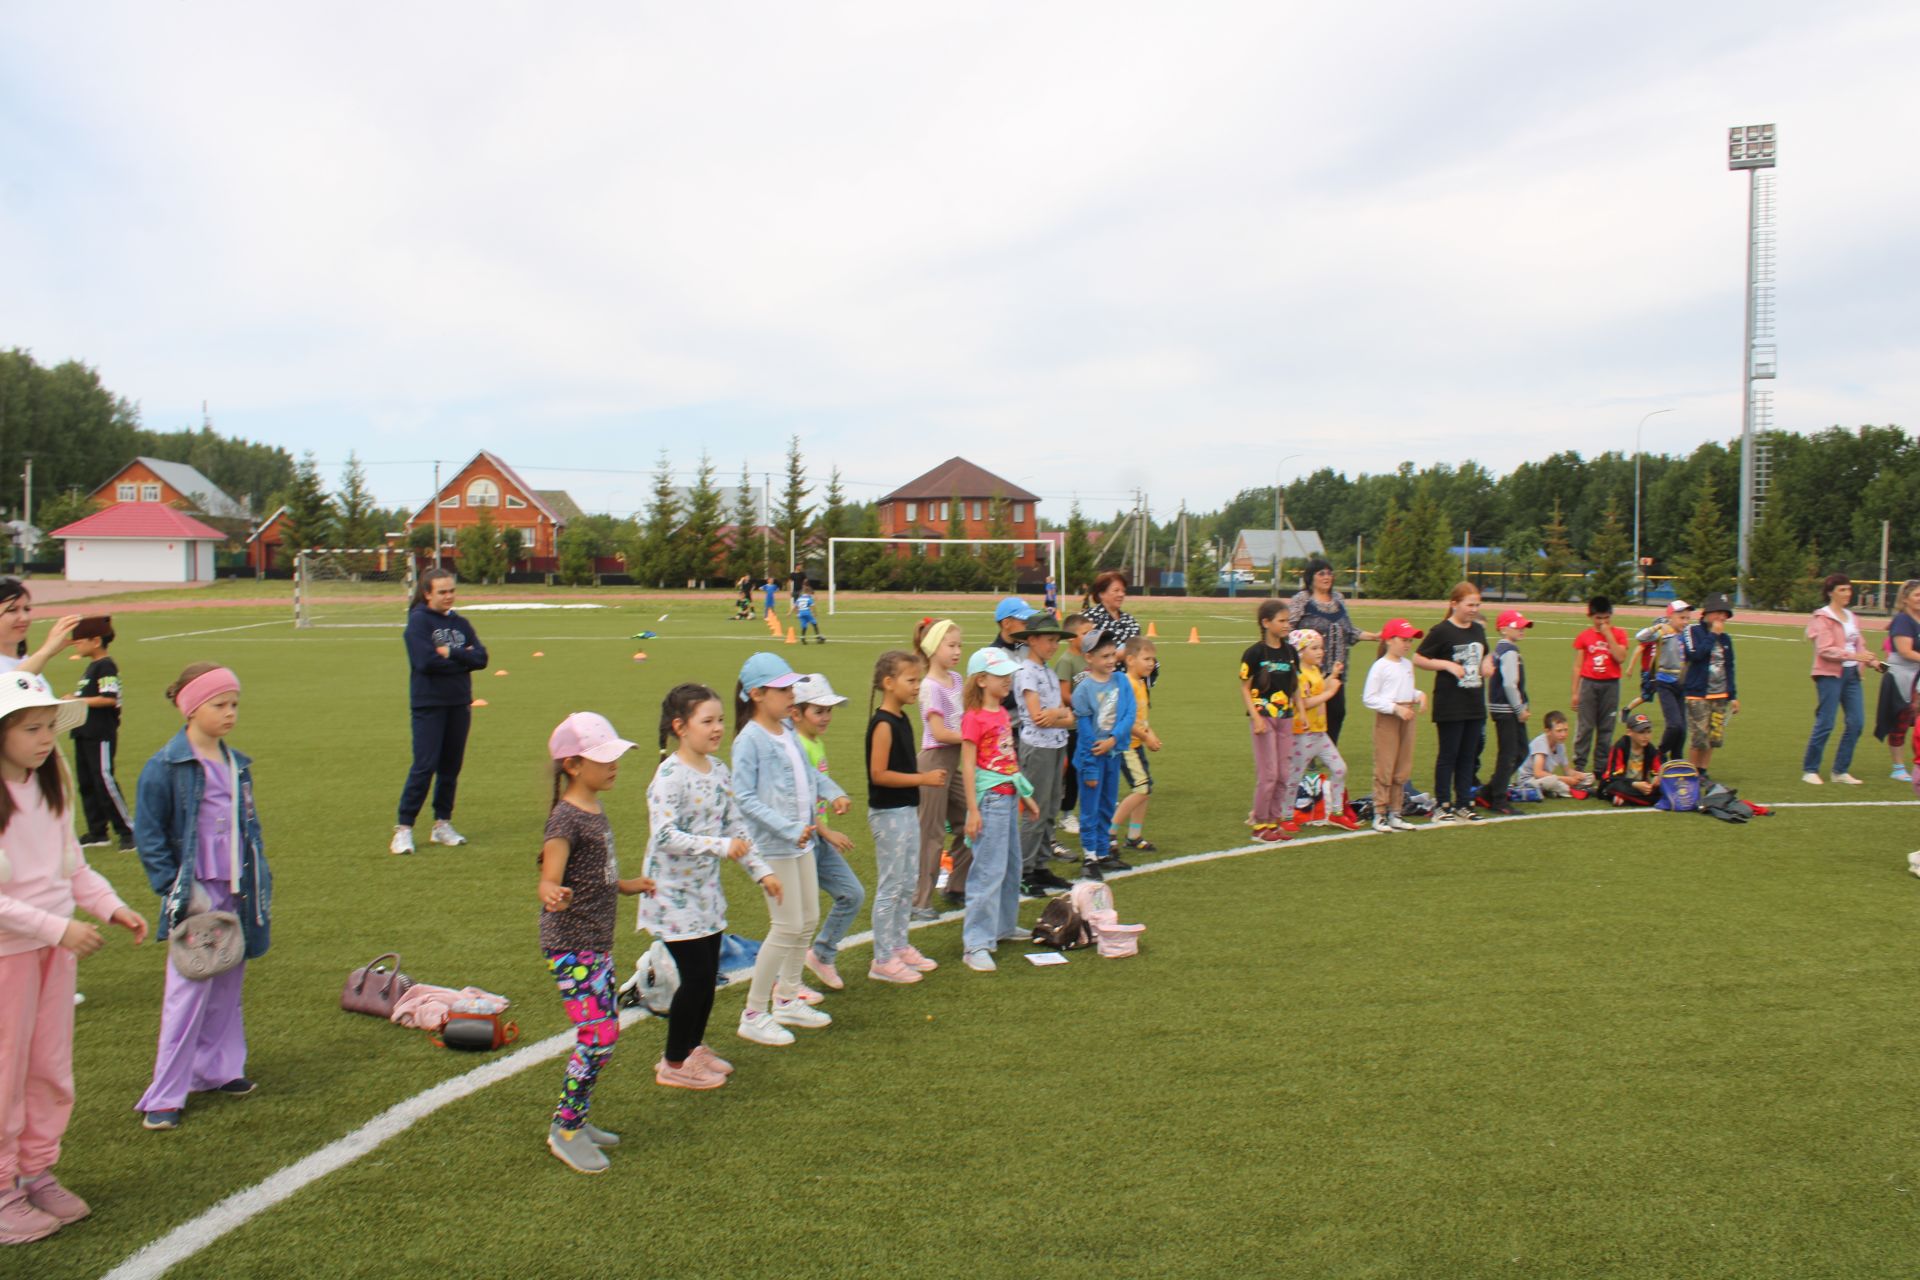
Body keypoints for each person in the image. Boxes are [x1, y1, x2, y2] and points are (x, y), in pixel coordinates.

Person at [0, 674, 146, 1244]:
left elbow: (73, 869)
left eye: (47, 728)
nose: (44, 740)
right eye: (30, 728)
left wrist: (110, 907)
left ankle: (36, 1169)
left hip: (53, 952)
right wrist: (56, 927)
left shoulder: (50, 782)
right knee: (6, 1072)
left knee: (50, 1068)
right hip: (12, 954)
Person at [134, 664, 271, 1131]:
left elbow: (246, 829)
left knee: (227, 988)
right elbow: (150, 836)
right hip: (195, 894)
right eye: (219, 705)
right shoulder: (165, 766)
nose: (230, 713)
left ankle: (218, 1071)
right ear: (191, 708)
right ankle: (165, 1095)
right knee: (188, 992)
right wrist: (175, 889)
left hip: (236, 889)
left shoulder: (238, 764)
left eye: (234, 704)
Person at [643, 686, 780, 1092]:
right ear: (680, 728)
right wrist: (719, 846)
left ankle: (693, 1047)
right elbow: (665, 834)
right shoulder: (669, 776)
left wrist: (762, 872)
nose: (718, 728)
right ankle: (673, 1062)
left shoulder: (719, 771)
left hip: (706, 895)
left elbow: (737, 829)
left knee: (707, 976)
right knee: (698, 978)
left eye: (720, 719)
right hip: (672, 897)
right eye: (708, 721)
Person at [537, 712, 655, 1172]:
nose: (614, 766)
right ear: (571, 765)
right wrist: (550, 891)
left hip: (594, 944)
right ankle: (565, 1128)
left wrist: (627, 885)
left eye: (615, 757)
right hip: (571, 946)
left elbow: (594, 877)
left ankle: (577, 1120)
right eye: (602, 759)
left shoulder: (593, 810)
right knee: (600, 1034)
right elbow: (551, 873)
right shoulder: (564, 819)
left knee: (603, 1032)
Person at [729, 653, 833, 1046]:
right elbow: (744, 798)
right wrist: (788, 827)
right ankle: (754, 1012)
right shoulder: (749, 740)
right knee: (787, 925)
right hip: (775, 845)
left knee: (807, 918)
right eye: (784, 689)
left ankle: (788, 998)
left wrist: (831, 791)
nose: (792, 694)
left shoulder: (787, 728)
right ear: (756, 694)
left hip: (800, 840)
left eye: (792, 687)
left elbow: (808, 774)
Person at [392, 569, 486, 855]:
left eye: (452, 591)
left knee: (450, 767)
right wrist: (462, 658)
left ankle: (442, 824)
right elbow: (425, 662)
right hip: (429, 703)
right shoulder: (418, 623)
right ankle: (404, 828)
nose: (449, 596)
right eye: (442, 591)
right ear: (427, 593)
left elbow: (481, 658)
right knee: (424, 766)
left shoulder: (461, 623)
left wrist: (451, 653)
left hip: (458, 702)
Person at [864, 651, 945, 984]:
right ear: (889, 683)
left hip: (906, 810)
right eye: (911, 680)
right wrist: (922, 780)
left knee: (907, 881)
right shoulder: (883, 723)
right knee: (891, 885)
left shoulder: (902, 718)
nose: (917, 687)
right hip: (889, 813)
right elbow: (879, 774)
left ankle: (899, 945)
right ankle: (882, 958)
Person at [959, 647, 1038, 972]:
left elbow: (1007, 761)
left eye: (1009, 674)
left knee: (1010, 866)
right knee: (987, 871)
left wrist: (1026, 796)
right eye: (1000, 675)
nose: (1007, 680)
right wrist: (973, 811)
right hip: (989, 801)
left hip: (1007, 798)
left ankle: (1003, 926)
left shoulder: (1003, 714)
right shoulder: (974, 718)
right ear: (980, 680)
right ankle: (975, 943)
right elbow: (967, 767)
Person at [788, 675, 863, 993]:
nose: (826, 717)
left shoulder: (814, 742)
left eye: (829, 710)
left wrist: (835, 798)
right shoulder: (796, 745)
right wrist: (826, 830)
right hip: (804, 840)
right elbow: (796, 801)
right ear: (796, 713)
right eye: (818, 711)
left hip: (817, 837)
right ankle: (786, 983)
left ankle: (821, 954)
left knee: (852, 894)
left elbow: (815, 790)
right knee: (797, 918)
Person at [1413, 583, 1495, 823]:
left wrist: (1486, 665)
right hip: (1450, 703)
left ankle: (1463, 803)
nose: (1473, 609)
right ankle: (1442, 804)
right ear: (1454, 604)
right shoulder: (1442, 631)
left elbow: (1484, 653)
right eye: (1469, 605)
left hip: (1474, 702)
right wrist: (1447, 664)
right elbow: (1418, 658)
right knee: (1449, 755)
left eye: (1477, 605)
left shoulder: (1478, 630)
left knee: (1468, 756)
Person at [910, 618, 969, 919]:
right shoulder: (930, 687)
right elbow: (941, 732)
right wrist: (975, 737)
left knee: (973, 821)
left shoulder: (957, 680)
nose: (958, 651)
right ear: (933, 649)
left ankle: (956, 886)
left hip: (952, 764)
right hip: (934, 762)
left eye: (959, 645)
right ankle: (920, 901)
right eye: (951, 645)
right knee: (930, 835)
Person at [1011, 616, 1074, 894]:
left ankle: (1041, 865)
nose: (1053, 645)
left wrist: (1056, 714)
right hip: (1038, 748)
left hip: (1056, 744)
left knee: (1050, 808)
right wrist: (1057, 714)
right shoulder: (1026, 671)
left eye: (1056, 640)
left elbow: (1067, 716)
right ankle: (1024, 871)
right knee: (1035, 810)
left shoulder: (1047, 672)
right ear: (1031, 640)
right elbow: (1038, 718)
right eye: (1048, 639)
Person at [1801, 574, 1882, 785]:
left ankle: (1840, 771)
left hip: (1852, 675)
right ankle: (1810, 769)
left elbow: (1859, 644)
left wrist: (1871, 661)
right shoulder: (1822, 618)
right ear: (1830, 592)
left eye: (1848, 590)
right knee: (1826, 722)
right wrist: (1855, 656)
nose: (1847, 594)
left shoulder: (1852, 617)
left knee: (1857, 723)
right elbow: (1825, 649)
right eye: (1842, 590)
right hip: (1829, 675)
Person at [1287, 559, 1376, 745]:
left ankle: (1328, 749)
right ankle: (1306, 753)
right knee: (1312, 710)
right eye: (1321, 573)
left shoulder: (1338, 599)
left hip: (1336, 668)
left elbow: (1349, 631)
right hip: (1310, 669)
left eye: (1329, 573)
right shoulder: (1302, 600)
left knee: (1337, 711)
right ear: (1311, 577)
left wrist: (1375, 636)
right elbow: (1289, 629)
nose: (1327, 577)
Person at [64, 617, 133, 849]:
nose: (75, 644)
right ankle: (97, 831)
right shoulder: (92, 666)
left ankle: (127, 831)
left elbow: (108, 698)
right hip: (84, 732)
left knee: (104, 779)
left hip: (99, 733)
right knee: (87, 781)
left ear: (95, 641)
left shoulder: (105, 665)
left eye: (79, 640)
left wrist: (77, 699)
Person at [1073, 630, 1135, 876]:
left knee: (1108, 804)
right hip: (1092, 757)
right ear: (1089, 658)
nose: (1111, 661)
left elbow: (1130, 713)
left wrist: (1113, 740)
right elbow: (1085, 732)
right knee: (1091, 807)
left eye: (1112, 655)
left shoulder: (1121, 681)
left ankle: (1102, 851)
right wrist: (1089, 765)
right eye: (1104, 656)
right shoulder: (1083, 690)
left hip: (1112, 753)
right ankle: (1089, 857)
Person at [1287, 630, 1362, 831]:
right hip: (1303, 734)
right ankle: (1285, 816)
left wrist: (1333, 676)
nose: (1321, 652)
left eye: (1321, 647)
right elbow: (1305, 702)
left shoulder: (1314, 670)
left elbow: (1319, 689)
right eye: (1315, 648)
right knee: (1294, 775)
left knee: (1340, 769)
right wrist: (1330, 693)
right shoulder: (1300, 676)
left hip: (1319, 733)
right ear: (1300, 652)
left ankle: (1336, 813)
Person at [1240, 600, 1302, 843]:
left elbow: (1294, 686)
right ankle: (1260, 825)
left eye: (1288, 620)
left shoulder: (1290, 652)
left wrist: (1302, 713)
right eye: (1282, 621)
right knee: (1269, 774)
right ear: (1266, 623)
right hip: (1264, 718)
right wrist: (1255, 716)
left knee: (1284, 773)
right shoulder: (1254, 653)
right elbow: (1245, 688)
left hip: (1285, 718)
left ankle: (1275, 823)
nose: (1287, 625)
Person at [1362, 620, 1426, 832]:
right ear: (1389, 640)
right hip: (1388, 718)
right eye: (1403, 640)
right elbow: (1369, 698)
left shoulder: (1407, 665)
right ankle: (1379, 813)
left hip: (1407, 717)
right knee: (1385, 766)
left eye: (1410, 641)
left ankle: (1396, 812)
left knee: (1402, 767)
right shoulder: (1380, 666)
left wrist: (1419, 695)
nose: (1407, 645)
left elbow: (1406, 690)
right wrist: (1395, 708)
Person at [1111, 637, 1164, 851]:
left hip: (1136, 744)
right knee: (1142, 788)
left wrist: (1151, 733)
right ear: (1130, 660)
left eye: (1153, 659)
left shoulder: (1141, 683)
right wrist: (1145, 736)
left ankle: (1134, 835)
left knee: (1145, 788)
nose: (1151, 663)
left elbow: (1141, 718)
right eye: (1146, 658)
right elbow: (1124, 719)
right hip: (1125, 745)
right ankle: (1109, 831)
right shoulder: (1127, 683)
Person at [1570, 597, 1629, 780]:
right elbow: (1578, 666)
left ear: (1610, 615)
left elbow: (1620, 657)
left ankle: (1601, 767)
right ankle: (1579, 764)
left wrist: (1608, 634)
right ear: (1591, 616)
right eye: (1598, 618)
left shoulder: (1619, 634)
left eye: (1606, 618)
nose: (1602, 622)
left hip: (1610, 685)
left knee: (1606, 727)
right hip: (1589, 684)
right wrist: (1575, 692)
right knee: (1585, 726)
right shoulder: (1585, 636)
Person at [1481, 609, 1532, 817]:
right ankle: (1498, 798)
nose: (1521, 629)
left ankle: (1489, 791)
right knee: (1510, 754)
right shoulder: (1509, 651)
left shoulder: (1504, 650)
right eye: (1516, 625)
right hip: (1507, 709)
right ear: (1503, 629)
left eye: (1522, 625)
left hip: (1504, 708)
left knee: (1519, 751)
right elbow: (1510, 684)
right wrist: (1520, 709)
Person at [1679, 594, 1738, 773]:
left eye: (1725, 614)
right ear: (1708, 613)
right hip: (1698, 693)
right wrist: (1713, 634)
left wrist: (1733, 695)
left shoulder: (1726, 639)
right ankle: (1692, 772)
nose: (1722, 618)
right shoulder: (1692, 631)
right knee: (1699, 737)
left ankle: (1703, 771)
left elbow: (1729, 667)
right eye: (1719, 613)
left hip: (1720, 694)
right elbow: (1695, 655)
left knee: (1713, 738)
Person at [1633, 600, 1693, 761]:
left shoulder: (1686, 634)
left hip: (1681, 684)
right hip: (1665, 683)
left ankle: (1676, 759)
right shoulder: (1664, 632)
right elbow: (1640, 637)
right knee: (1674, 725)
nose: (1685, 622)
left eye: (1688, 618)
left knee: (1683, 729)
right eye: (1682, 618)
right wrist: (1657, 627)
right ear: (1670, 616)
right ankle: (1659, 753)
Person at [1873, 578, 1920, 782]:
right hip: (1903, 676)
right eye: (1917, 595)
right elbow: (1904, 651)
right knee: (1901, 720)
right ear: (1905, 598)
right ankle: (1898, 767)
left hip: (1917, 676)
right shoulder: (1903, 620)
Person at [0, 578, 80, 694]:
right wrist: (46, 651)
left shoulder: (25, 660)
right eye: (12, 610)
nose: (24, 618)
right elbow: (8, 691)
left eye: (26, 609)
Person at [1053, 616, 1094, 837]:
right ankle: (1065, 814)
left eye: (1092, 632)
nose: (1090, 636)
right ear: (1071, 638)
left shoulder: (1089, 659)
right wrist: (1086, 704)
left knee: (1084, 768)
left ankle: (1075, 809)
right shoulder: (1067, 661)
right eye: (1085, 633)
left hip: (1088, 726)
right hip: (1071, 728)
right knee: (1068, 772)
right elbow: (1064, 694)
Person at [1078, 572, 1148, 684]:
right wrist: (1122, 654)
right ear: (1101, 593)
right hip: (1101, 684)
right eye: (1116, 590)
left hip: (1130, 684)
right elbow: (1084, 652)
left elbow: (1140, 650)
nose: (1121, 594)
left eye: (1123, 591)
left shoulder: (1130, 620)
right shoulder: (1088, 619)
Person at [1518, 711, 1592, 798]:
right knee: (1554, 782)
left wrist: (1578, 775)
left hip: (1546, 779)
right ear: (1548, 731)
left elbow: (1567, 771)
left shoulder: (1560, 745)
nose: (1563, 734)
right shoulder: (1541, 743)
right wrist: (1566, 779)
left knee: (1589, 777)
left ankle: (1553, 791)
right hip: (1529, 781)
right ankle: (1572, 790)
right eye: (1559, 731)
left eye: (1565, 730)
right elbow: (1538, 773)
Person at [1599, 712, 1663, 807]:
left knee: (1660, 789)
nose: (1646, 736)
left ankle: (1625, 800)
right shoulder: (1620, 746)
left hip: (1641, 786)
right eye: (1641, 732)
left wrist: (1656, 779)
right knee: (1616, 787)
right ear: (1629, 732)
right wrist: (1634, 784)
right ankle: (1647, 801)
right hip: (1618, 783)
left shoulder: (1650, 749)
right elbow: (1613, 777)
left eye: (1648, 732)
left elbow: (1658, 771)